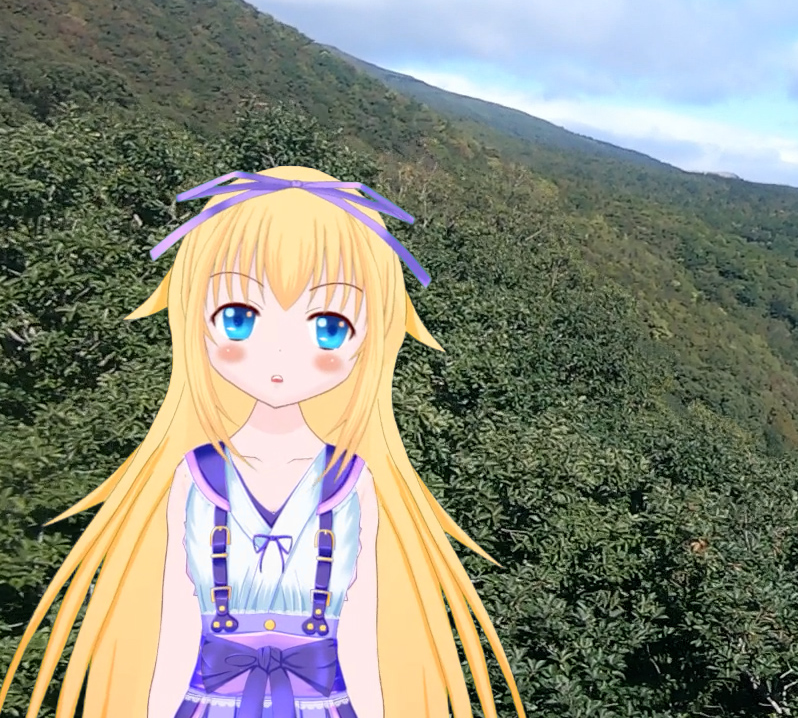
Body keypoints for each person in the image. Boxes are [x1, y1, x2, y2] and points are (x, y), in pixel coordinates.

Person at [1, 168, 524, 718]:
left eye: (327, 324)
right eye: (238, 317)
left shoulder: (356, 481)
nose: (279, 352)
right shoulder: (190, 474)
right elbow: (173, 624)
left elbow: (366, 634)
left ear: (372, 338)